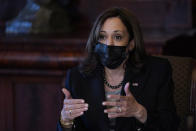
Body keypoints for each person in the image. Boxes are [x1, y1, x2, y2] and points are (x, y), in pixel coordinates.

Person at [57, 7, 179, 131]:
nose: (109, 44)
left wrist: (140, 112)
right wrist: (66, 120)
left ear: (131, 43)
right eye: (102, 36)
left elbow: (171, 126)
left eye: (118, 37)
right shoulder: (76, 77)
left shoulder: (157, 71)